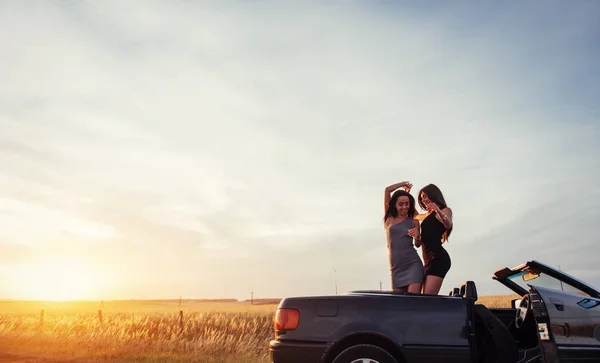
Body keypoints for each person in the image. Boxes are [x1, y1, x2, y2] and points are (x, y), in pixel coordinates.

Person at [383, 181, 424, 294]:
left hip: (413, 265)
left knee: (412, 303)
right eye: (401, 204)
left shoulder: (414, 222)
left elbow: (418, 244)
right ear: (394, 205)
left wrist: (418, 236)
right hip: (396, 268)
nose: (404, 207)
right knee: (399, 306)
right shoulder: (389, 218)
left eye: (407, 204)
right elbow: (387, 190)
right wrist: (402, 184)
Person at [416, 183, 453, 295]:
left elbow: (448, 224)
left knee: (428, 299)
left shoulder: (445, 210)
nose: (423, 200)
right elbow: (413, 214)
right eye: (422, 198)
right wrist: (405, 193)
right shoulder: (426, 215)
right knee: (423, 298)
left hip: (438, 259)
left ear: (433, 195)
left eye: (425, 196)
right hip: (427, 260)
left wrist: (438, 210)